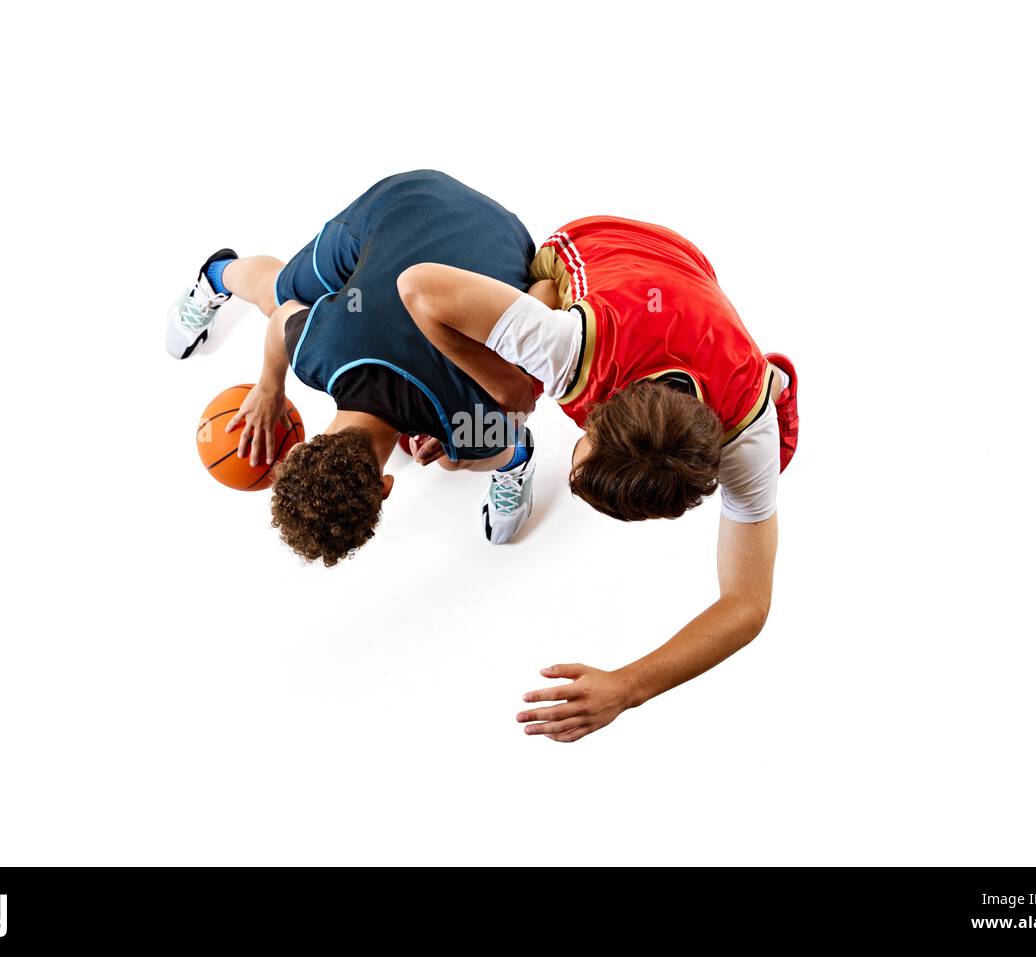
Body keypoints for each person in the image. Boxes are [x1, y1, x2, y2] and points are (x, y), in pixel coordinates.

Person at [397, 215, 800, 741]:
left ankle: (480, 412)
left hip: (689, 277)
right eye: (579, 457)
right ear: (602, 408)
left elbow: (747, 606)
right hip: (596, 242)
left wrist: (627, 687)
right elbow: (418, 285)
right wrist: (507, 392)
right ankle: (482, 406)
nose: (569, 470)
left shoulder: (748, 434)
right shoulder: (571, 349)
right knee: (525, 329)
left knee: (770, 464)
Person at [163, 170, 543, 563]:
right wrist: (271, 386)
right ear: (299, 449)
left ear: (385, 487)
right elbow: (281, 320)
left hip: (510, 243)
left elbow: (516, 418)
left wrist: (461, 442)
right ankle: (215, 278)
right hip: (413, 194)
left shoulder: (467, 430)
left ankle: (213, 277)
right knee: (282, 297)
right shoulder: (318, 352)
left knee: (454, 459)